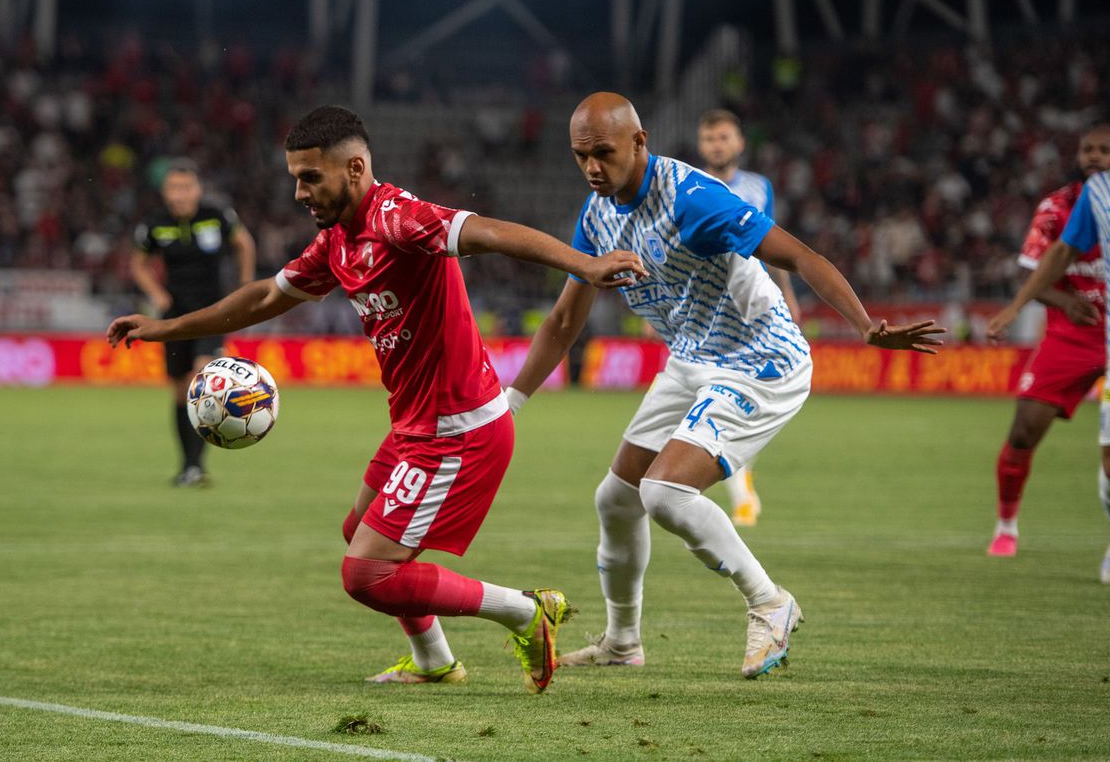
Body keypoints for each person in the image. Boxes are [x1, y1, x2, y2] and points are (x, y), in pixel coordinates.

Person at [108, 105, 646, 692]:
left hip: (457, 430)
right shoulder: (338, 240)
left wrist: (584, 265)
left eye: (311, 177)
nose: (298, 192)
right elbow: (265, 297)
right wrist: (164, 328)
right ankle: (434, 659)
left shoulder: (398, 217)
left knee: (365, 573)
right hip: (415, 425)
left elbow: (490, 232)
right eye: (295, 177)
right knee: (357, 526)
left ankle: (523, 611)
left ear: (355, 168)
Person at [506, 92, 943, 678]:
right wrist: (507, 405)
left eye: (603, 153)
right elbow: (562, 322)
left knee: (662, 493)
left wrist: (865, 325)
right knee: (615, 499)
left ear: (639, 142)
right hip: (691, 360)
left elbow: (800, 255)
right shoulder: (597, 213)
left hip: (760, 358)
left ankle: (770, 602)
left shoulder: (694, 200)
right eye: (579, 155)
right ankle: (622, 643)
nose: (591, 167)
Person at [986, 127, 1109, 558]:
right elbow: (1043, 265)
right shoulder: (1060, 207)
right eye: (1088, 149)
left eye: (1104, 150)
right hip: (1072, 335)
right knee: (1024, 430)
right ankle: (1006, 527)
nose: (1094, 156)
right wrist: (1061, 302)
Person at [697, 108, 801, 527]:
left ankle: (737, 488)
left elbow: (769, 243)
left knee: (741, 398)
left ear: (739, 142)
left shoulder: (759, 188)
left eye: (723, 137)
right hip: (700, 308)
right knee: (708, 398)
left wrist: (789, 293)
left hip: (752, 307)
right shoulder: (690, 182)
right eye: (709, 139)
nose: (716, 145)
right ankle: (734, 488)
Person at [131, 159, 257, 487]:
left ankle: (196, 466)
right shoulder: (155, 224)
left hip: (212, 313)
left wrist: (245, 285)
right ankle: (189, 466)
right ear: (164, 192)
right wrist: (156, 294)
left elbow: (244, 243)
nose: (179, 195)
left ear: (198, 189)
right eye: (173, 188)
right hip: (174, 318)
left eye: (185, 188)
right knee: (178, 392)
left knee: (200, 380)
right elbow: (138, 265)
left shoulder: (217, 216)